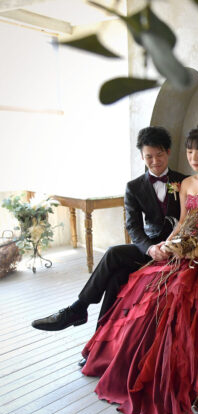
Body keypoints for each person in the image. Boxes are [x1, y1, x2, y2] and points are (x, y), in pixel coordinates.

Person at [80, 124, 198, 414]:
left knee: (186, 296)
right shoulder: (185, 183)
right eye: (190, 151)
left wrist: (195, 244)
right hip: (186, 247)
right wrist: (171, 244)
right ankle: (122, 357)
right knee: (147, 286)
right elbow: (183, 221)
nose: (195, 157)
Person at [31, 127, 188, 338]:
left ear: (168, 152)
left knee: (114, 257)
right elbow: (133, 226)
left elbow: (189, 219)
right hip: (148, 249)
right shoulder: (134, 187)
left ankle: (79, 309)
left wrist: (173, 245)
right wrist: (149, 248)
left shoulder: (184, 181)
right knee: (115, 276)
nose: (155, 161)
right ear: (141, 156)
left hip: (175, 250)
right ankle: (97, 343)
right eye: (148, 156)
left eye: (159, 155)